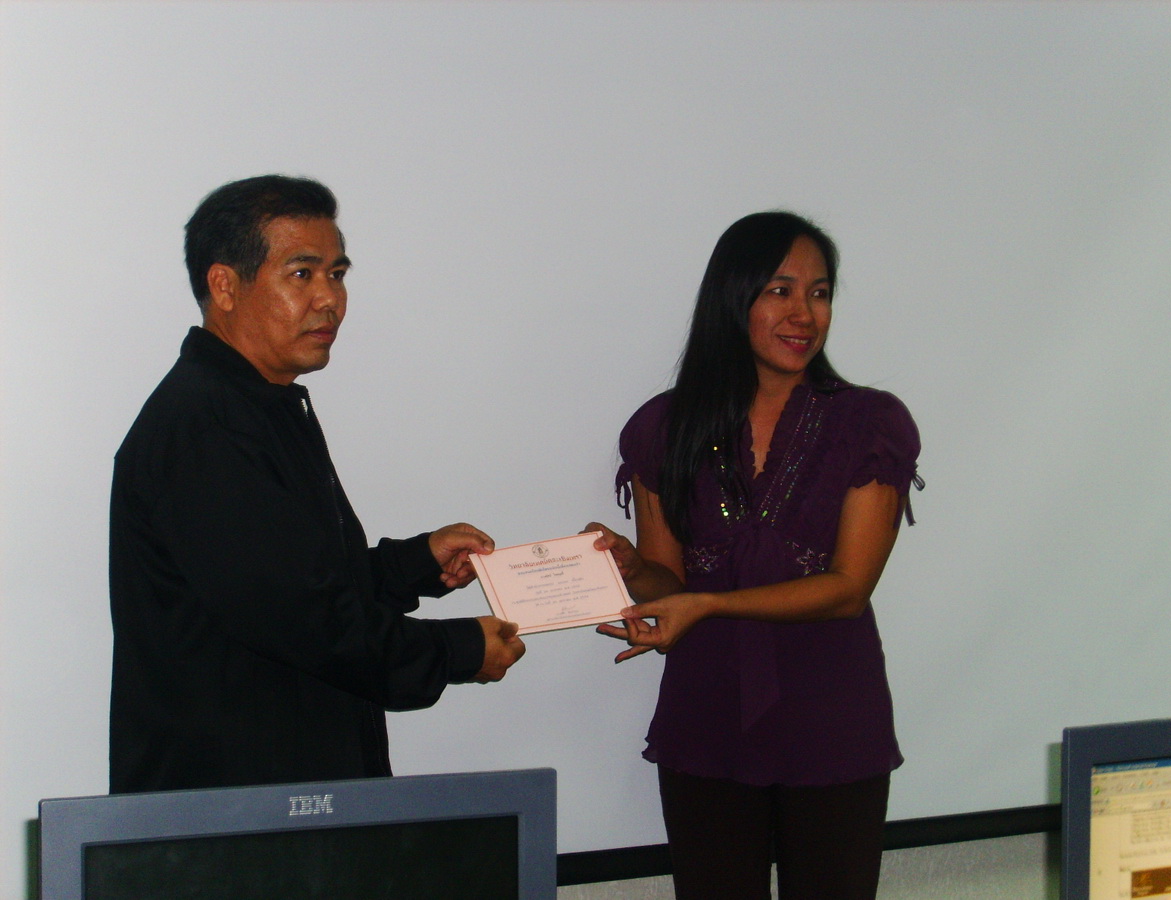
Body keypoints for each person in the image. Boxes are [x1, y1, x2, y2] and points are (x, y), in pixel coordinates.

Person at [108, 175, 525, 794]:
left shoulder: (260, 406)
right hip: (234, 812)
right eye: (301, 274)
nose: (330, 299)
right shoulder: (204, 426)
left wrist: (414, 565)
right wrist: (458, 650)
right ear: (225, 286)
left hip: (285, 794)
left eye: (337, 274)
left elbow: (295, 581)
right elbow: (308, 622)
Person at [588, 211, 921, 900]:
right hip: (706, 719)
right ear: (733, 299)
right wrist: (629, 567)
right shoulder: (664, 427)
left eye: (820, 293)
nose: (804, 314)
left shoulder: (869, 423)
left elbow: (847, 589)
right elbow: (668, 583)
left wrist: (707, 604)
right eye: (780, 290)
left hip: (832, 722)